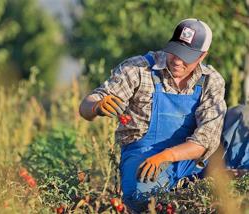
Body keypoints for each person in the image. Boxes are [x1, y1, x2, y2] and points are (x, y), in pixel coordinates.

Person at [79, 18, 227, 212]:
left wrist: (167, 155)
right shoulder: (138, 69)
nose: (176, 60)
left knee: (225, 190)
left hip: (189, 158)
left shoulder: (210, 81)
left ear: (202, 56)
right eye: (174, 51)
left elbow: (205, 141)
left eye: (186, 56)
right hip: (143, 154)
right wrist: (96, 106)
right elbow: (85, 107)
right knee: (143, 198)